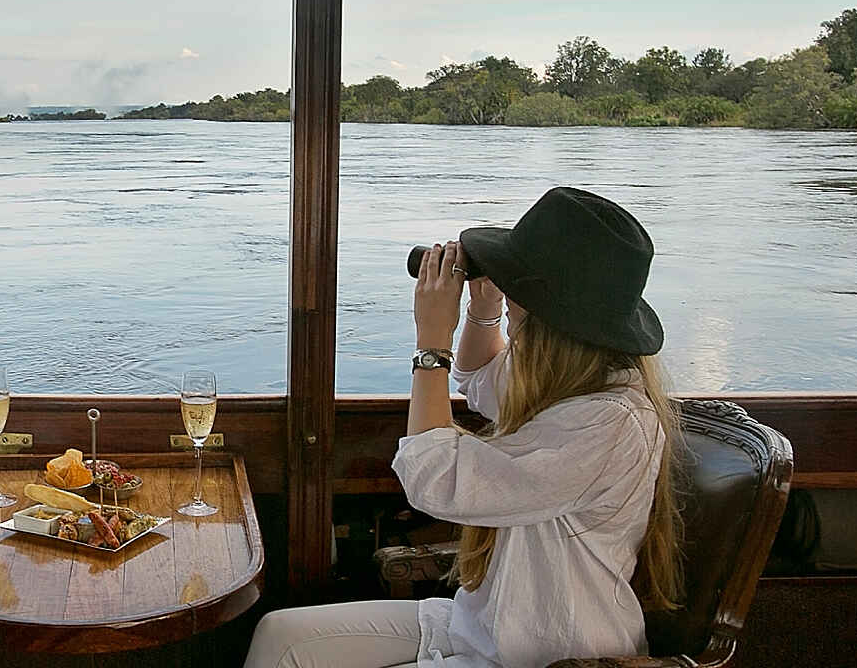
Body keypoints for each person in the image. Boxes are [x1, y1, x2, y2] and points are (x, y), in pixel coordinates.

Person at [244, 187, 683, 668]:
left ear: (553, 317)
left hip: (549, 651)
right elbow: (480, 378)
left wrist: (432, 343)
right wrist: (484, 307)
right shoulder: (577, 382)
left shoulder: (610, 424)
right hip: (485, 623)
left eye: (519, 289)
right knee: (280, 636)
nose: (513, 297)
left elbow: (435, 478)